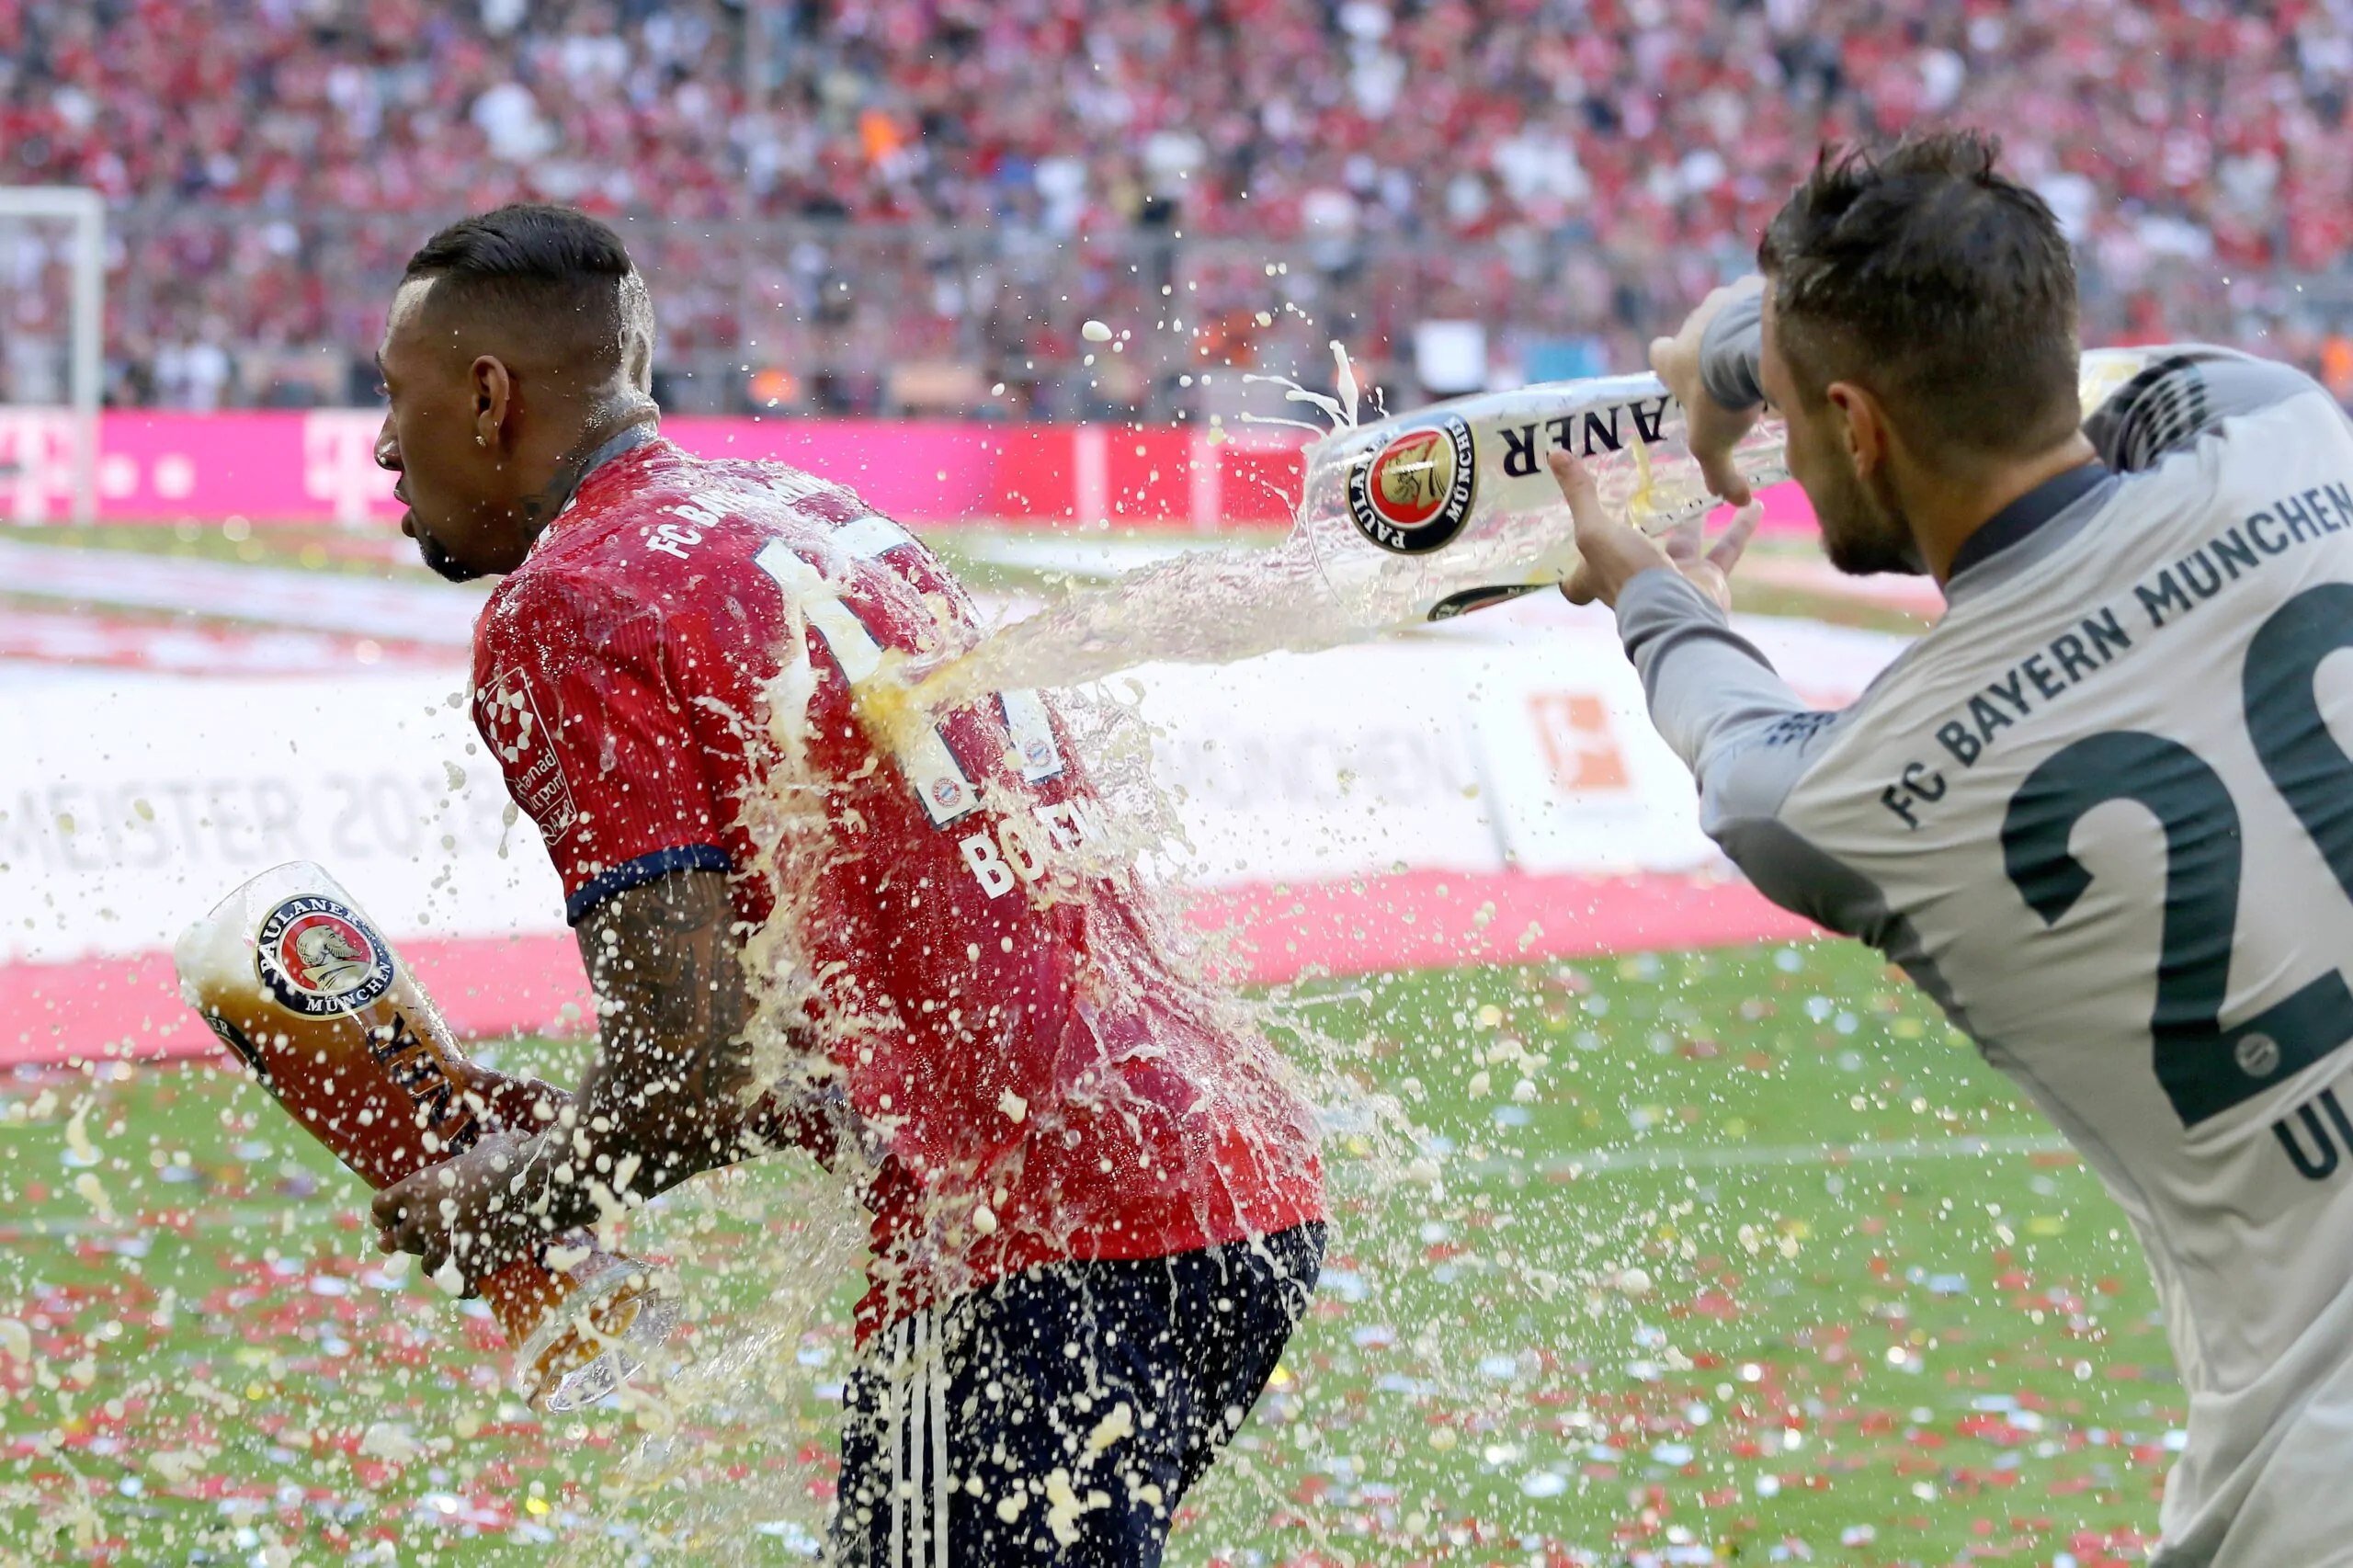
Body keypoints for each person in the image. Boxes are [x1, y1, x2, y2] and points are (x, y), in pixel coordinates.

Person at [362, 203, 1326, 1566]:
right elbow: (880, 983)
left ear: (487, 394)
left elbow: (691, 1072)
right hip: (1231, 1178)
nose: (385, 446)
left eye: (395, 401)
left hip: (1036, 1247)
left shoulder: (565, 606)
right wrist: (580, 1130)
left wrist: (518, 1197)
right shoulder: (807, 508)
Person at [1553, 131, 2353, 1567]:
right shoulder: (2291, 433)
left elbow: (1736, 754)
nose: (1788, 445)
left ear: (1857, 427)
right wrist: (1753, 351)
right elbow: (2124, 377)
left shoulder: (1860, 795)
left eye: (1798, 416)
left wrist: (1654, 594)